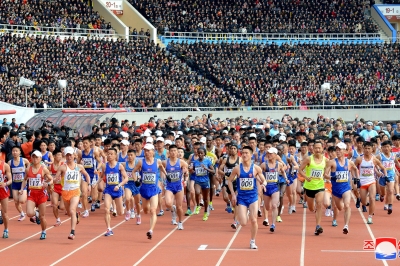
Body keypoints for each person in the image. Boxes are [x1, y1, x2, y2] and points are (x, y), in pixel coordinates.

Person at [229, 146, 267, 249]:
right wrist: (233, 194)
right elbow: (229, 181)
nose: (244, 155)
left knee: (254, 220)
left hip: (253, 197)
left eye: (246, 153)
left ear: (251, 155)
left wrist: (263, 184)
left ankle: (252, 241)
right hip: (241, 198)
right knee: (243, 223)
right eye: (243, 153)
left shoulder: (256, 168)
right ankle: (247, 212)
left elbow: (264, 180)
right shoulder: (237, 168)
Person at [131, 143, 167, 239]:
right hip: (144, 189)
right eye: (145, 151)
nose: (146, 152)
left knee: (153, 210)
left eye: (148, 151)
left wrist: (167, 176)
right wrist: (136, 181)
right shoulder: (141, 162)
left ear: (153, 152)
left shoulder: (158, 161)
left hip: (154, 189)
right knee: (146, 210)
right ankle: (146, 211)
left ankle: (151, 230)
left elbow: (162, 169)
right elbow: (133, 171)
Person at [54, 147, 90, 239]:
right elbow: (55, 178)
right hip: (65, 192)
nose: (69, 156)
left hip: (75, 191)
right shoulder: (62, 167)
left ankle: (72, 232)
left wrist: (89, 184)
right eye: (67, 155)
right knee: (69, 213)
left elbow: (86, 175)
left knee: (72, 210)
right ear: (65, 156)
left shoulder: (79, 167)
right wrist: (53, 180)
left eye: (70, 155)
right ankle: (76, 215)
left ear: (74, 155)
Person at [324, 142, 359, 234]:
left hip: (346, 188)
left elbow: (355, 168)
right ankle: (344, 211)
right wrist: (332, 177)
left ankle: (346, 225)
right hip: (335, 189)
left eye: (340, 149)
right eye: (337, 149)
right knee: (340, 207)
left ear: (344, 151)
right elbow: (325, 175)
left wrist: (356, 178)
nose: (338, 151)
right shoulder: (331, 162)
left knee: (347, 205)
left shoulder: (349, 162)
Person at [20, 150, 53, 240]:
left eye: (36, 157)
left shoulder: (44, 169)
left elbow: (51, 179)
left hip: (41, 194)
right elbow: (25, 179)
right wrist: (22, 189)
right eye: (33, 157)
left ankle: (43, 231)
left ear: (40, 158)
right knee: (29, 213)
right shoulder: (28, 169)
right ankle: (36, 213)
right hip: (32, 194)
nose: (35, 159)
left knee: (42, 217)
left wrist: (48, 183)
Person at [355, 142, 387, 224]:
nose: (367, 150)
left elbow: (383, 168)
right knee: (364, 202)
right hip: (362, 182)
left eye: (369, 148)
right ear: (363, 149)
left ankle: (370, 217)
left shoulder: (374, 159)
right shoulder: (359, 159)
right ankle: (367, 204)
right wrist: (356, 178)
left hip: (371, 181)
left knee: (372, 198)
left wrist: (385, 176)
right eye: (365, 148)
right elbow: (353, 168)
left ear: (372, 149)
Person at [299, 140, 327, 235]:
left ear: (322, 148)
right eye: (316, 148)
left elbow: (326, 172)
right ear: (313, 149)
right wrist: (306, 177)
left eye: (319, 148)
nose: (318, 150)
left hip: (320, 185)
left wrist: (328, 176)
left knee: (319, 204)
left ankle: (318, 225)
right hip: (309, 187)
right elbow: (300, 170)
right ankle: (314, 210)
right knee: (311, 208)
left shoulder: (325, 160)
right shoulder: (308, 159)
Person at [100, 148, 128, 236]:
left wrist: (119, 185)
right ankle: (108, 229)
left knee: (120, 213)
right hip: (108, 190)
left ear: (115, 156)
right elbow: (101, 177)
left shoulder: (119, 166)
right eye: (108, 154)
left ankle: (123, 206)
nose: (109, 155)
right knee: (106, 209)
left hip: (117, 190)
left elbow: (126, 178)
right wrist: (95, 184)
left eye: (112, 154)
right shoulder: (104, 166)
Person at [260, 147, 288, 232]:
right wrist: (261, 182)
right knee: (267, 207)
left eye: (271, 153)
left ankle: (273, 224)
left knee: (275, 205)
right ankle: (267, 218)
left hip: (275, 187)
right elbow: (258, 174)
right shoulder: (264, 165)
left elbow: (283, 171)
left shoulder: (279, 164)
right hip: (266, 188)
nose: (268, 155)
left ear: (275, 155)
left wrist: (285, 178)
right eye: (268, 153)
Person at [162, 145, 188, 230]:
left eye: (175, 151)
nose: (173, 152)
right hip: (169, 186)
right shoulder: (165, 162)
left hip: (178, 186)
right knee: (167, 203)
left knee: (179, 207)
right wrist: (163, 177)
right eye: (171, 151)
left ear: (177, 152)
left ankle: (180, 222)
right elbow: (162, 170)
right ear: (169, 152)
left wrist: (185, 173)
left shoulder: (181, 162)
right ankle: (173, 209)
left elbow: (186, 171)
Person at [189, 147, 214, 221]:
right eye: (199, 153)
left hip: (205, 181)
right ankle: (198, 205)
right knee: (197, 192)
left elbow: (213, 171)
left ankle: (206, 212)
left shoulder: (208, 161)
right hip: (197, 181)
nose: (200, 154)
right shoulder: (195, 162)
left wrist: (206, 169)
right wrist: (191, 170)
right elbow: (192, 171)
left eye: (201, 153)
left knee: (205, 199)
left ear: (204, 154)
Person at [375, 140, 400, 214]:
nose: (386, 148)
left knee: (391, 190)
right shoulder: (379, 156)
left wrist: (397, 170)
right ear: (382, 148)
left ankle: (390, 206)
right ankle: (382, 196)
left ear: (390, 148)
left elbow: (396, 163)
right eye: (385, 147)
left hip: (391, 175)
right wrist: (378, 172)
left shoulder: (393, 155)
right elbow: (374, 164)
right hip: (382, 176)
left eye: (388, 146)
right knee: (383, 192)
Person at [8, 146, 29, 221]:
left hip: (23, 183)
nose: (15, 152)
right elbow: (7, 172)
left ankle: (32, 205)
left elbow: (29, 168)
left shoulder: (24, 161)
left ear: (20, 152)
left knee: (22, 201)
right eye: (13, 151)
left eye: (16, 151)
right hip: (15, 184)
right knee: (16, 201)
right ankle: (22, 214)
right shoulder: (10, 162)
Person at [124, 149, 142, 225]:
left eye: (131, 155)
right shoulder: (125, 164)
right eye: (128, 155)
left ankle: (138, 215)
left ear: (135, 156)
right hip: (128, 184)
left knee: (137, 203)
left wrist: (139, 180)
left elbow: (142, 173)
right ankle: (128, 211)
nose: (130, 157)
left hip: (136, 185)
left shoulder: (138, 164)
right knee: (127, 198)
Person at [49, 149, 65, 226]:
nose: (60, 157)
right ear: (54, 156)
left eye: (61, 155)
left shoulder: (64, 165)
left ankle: (74, 213)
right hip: (55, 188)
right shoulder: (50, 166)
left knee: (62, 207)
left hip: (63, 188)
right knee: (55, 205)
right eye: (58, 155)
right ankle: (58, 220)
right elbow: (48, 177)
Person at [0, 158, 12, 238]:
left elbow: (11, 180)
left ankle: (6, 230)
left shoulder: (5, 165)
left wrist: (5, 183)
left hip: (3, 191)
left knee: (4, 213)